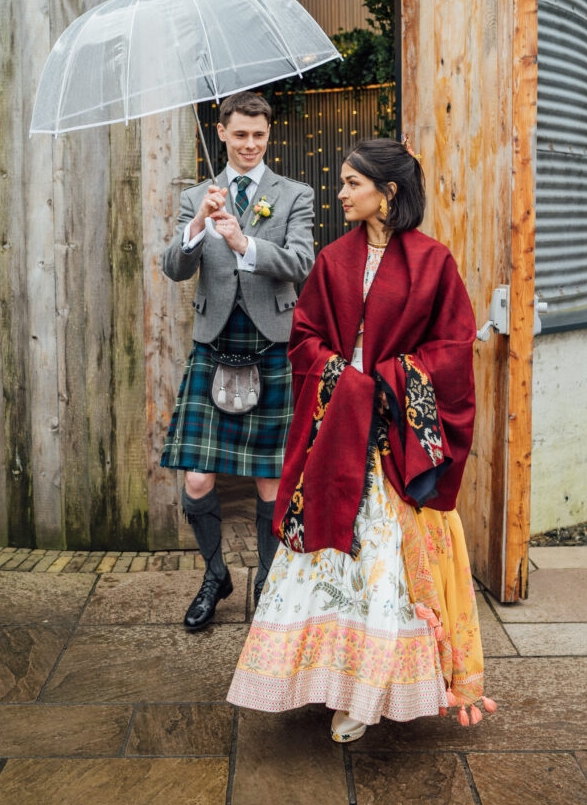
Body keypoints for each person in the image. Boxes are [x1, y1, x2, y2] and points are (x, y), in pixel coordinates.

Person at [227, 137, 496, 741]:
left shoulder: (434, 263)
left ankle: (369, 693)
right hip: (337, 429)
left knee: (383, 561)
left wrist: (391, 383)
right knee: (328, 557)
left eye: (353, 183)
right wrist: (346, 384)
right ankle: (326, 677)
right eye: (343, 182)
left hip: (396, 439)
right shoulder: (332, 260)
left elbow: (451, 351)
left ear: (388, 193)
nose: (340, 193)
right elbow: (305, 339)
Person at [161, 90, 315, 631]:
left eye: (260, 135)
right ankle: (214, 575)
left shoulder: (294, 194)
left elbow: (301, 262)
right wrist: (199, 225)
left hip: (271, 349)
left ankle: (270, 584)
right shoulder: (197, 197)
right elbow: (175, 268)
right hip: (214, 349)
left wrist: (246, 243)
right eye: (241, 134)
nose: (251, 144)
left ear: (268, 136)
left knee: (270, 484)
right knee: (198, 480)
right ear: (221, 132)